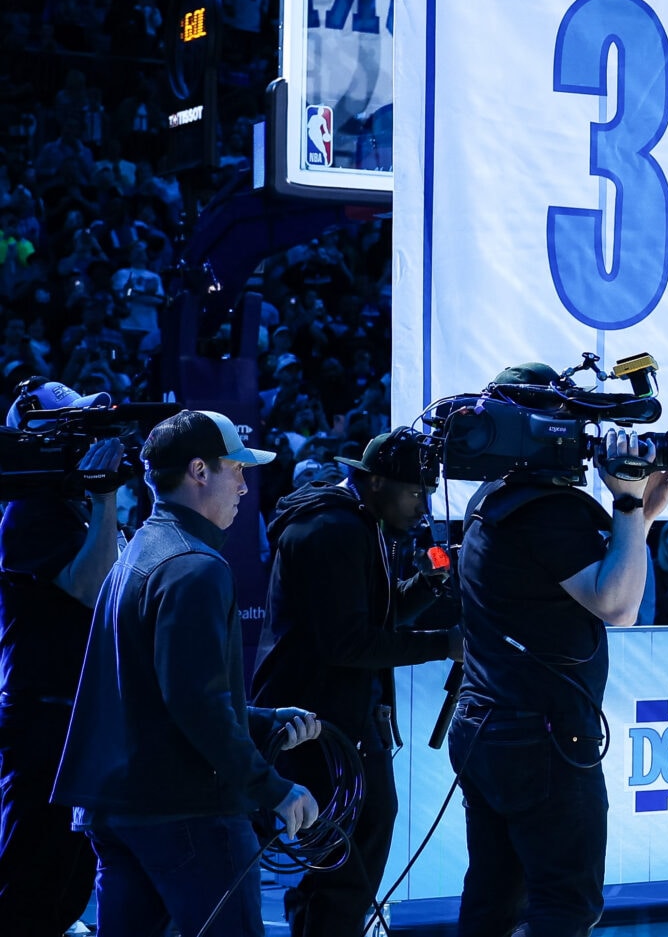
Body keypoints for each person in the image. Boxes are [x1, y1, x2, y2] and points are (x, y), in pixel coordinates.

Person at [54, 410, 324, 937]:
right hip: (186, 811)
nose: (246, 484)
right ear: (200, 471)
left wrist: (261, 721)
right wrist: (273, 788)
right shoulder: (194, 566)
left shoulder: (137, 554)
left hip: (121, 808)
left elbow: (157, 695)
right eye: (236, 469)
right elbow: (194, 704)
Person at [448, 362, 668, 937]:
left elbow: (588, 581)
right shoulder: (548, 511)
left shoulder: (495, 498)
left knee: (493, 901)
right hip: (542, 736)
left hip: (487, 725)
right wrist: (625, 505)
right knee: (564, 905)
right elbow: (618, 606)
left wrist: (641, 514)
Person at [251, 428, 461, 937]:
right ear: (375, 483)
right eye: (415, 492)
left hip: (336, 716)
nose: (423, 506)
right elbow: (346, 644)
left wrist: (424, 589)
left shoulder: (358, 522)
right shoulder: (334, 530)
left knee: (350, 846)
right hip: (318, 722)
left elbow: (372, 621)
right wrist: (444, 644)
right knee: (350, 850)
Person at [0, 383, 125, 936]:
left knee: (71, 876)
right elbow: (93, 587)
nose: (84, 436)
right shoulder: (31, 509)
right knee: (32, 875)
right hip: (44, 716)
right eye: (70, 425)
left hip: (75, 711)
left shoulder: (68, 503)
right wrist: (104, 502)